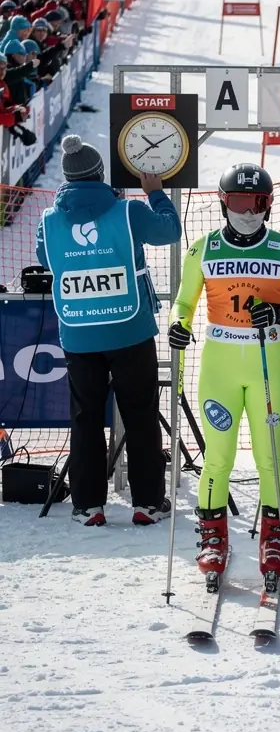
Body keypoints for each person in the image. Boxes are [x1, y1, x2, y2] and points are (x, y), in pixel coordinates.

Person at [169, 164, 280, 587]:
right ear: (224, 203)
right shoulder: (203, 249)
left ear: (269, 205)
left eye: (259, 204)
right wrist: (180, 325)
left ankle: (274, 539)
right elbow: (183, 303)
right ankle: (213, 539)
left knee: (270, 456)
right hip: (220, 364)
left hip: (267, 364)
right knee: (219, 458)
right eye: (240, 203)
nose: (249, 213)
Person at [36, 136, 181, 526]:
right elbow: (170, 230)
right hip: (129, 329)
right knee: (140, 414)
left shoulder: (49, 221)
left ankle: (88, 506)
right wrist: (156, 194)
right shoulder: (128, 211)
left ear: (67, 179)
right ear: (100, 175)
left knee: (85, 418)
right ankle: (147, 503)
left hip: (80, 333)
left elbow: (42, 258)